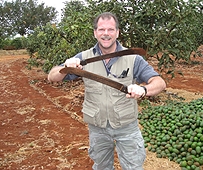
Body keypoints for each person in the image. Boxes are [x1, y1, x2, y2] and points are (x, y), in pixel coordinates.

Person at [48, 12, 166, 170]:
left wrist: (143, 89)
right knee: (102, 167)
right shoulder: (83, 58)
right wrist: (65, 67)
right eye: (101, 29)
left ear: (117, 32)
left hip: (126, 127)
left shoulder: (132, 58)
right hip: (98, 128)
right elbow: (52, 77)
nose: (106, 34)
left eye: (110, 29)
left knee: (134, 167)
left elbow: (160, 82)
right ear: (95, 32)